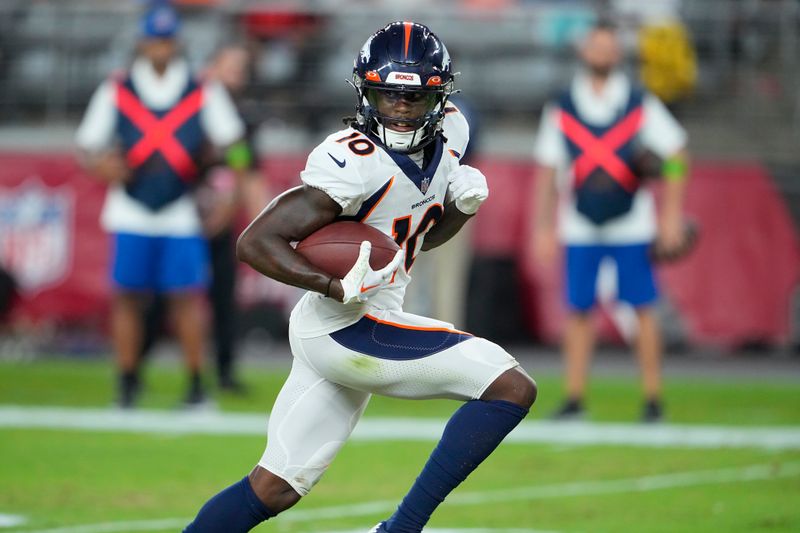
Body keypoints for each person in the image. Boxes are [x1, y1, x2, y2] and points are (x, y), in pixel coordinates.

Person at [184, 21, 537, 533]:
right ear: (365, 93)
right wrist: (333, 284)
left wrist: (459, 209)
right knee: (511, 386)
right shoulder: (351, 161)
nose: (398, 110)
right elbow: (254, 242)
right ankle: (400, 529)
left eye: (412, 100)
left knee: (273, 487)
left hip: (358, 320)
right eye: (386, 96)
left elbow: (414, 242)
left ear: (439, 99)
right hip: (345, 324)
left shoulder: (453, 133)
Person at [75, 2, 245, 408]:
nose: (160, 49)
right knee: (128, 297)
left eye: (167, 41)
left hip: (181, 209)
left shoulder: (202, 89)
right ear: (142, 43)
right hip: (129, 208)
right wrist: (102, 167)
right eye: (154, 41)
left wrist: (230, 192)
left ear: (177, 44)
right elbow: (86, 147)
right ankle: (128, 380)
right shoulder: (117, 89)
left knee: (186, 298)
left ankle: (195, 383)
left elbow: (236, 145)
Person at [532, 20, 689, 423]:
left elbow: (676, 156)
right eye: (595, 47)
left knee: (642, 307)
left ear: (617, 53)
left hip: (632, 222)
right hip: (580, 223)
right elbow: (548, 171)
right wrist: (543, 227)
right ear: (585, 52)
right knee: (578, 310)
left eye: (608, 47)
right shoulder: (563, 106)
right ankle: (574, 397)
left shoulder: (639, 102)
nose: (602, 54)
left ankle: (654, 398)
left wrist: (670, 215)